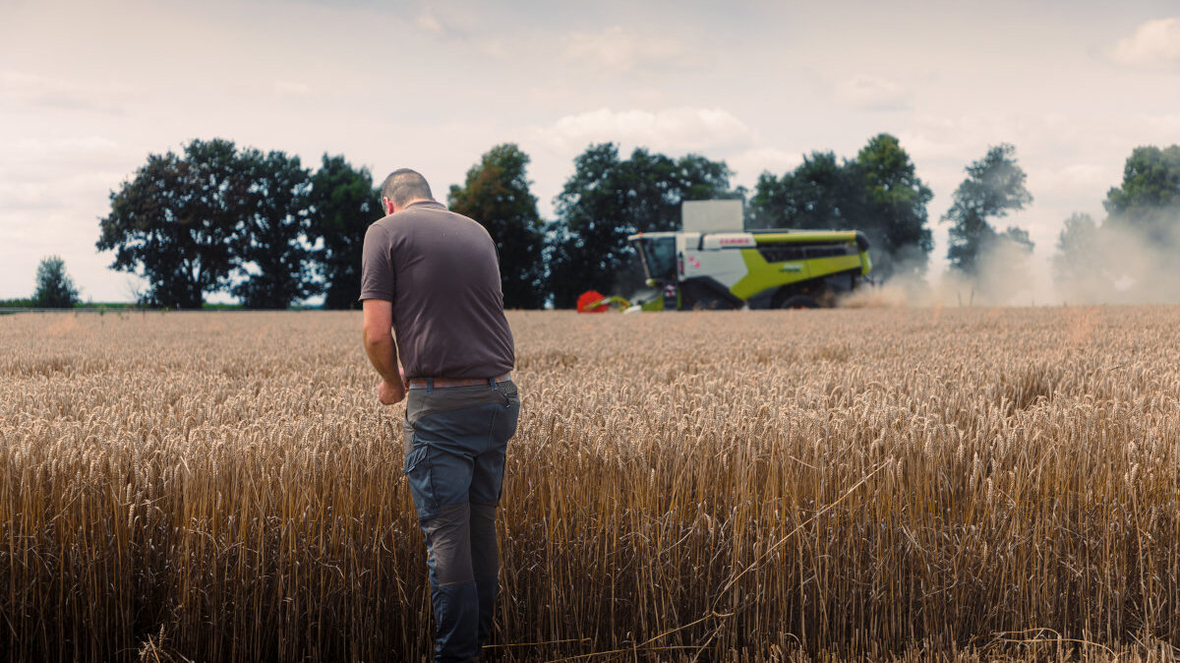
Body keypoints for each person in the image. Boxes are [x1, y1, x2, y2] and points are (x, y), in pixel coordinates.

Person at [359, 168, 519, 663]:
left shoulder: (384, 232)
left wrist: (392, 381)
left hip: (441, 407)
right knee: (479, 528)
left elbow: (376, 332)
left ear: (389, 203)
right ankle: (482, 644)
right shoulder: (476, 230)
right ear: (433, 198)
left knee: (447, 537)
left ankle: (456, 656)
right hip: (499, 398)